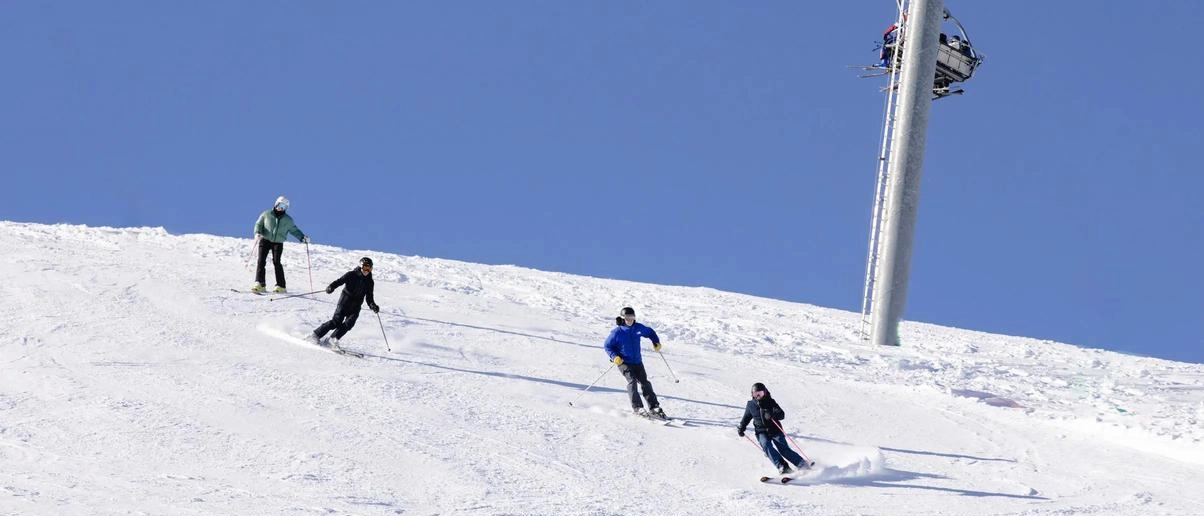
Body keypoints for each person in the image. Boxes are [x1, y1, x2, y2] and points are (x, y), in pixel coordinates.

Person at [604, 307, 667, 419]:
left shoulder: (638, 328)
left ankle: (654, 407)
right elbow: (608, 346)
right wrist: (615, 357)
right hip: (623, 362)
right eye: (627, 318)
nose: (630, 320)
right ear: (622, 319)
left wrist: (656, 342)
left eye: (632, 317)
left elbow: (650, 332)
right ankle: (638, 407)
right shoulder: (617, 332)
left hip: (637, 361)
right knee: (632, 382)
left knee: (645, 383)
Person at [737, 382, 808, 475]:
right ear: (752, 394)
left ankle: (801, 463)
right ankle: (782, 466)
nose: (758, 396)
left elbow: (781, 415)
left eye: (760, 393)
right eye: (755, 394)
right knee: (766, 446)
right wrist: (741, 427)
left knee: (783, 449)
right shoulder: (751, 405)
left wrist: (772, 415)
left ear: (765, 392)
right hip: (761, 432)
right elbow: (746, 417)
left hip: (775, 430)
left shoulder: (770, 401)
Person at [311, 257, 379, 349]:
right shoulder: (351, 274)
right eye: (365, 267)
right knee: (336, 322)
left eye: (369, 268)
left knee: (349, 324)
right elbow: (339, 282)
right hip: (345, 301)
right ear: (360, 266)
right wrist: (331, 287)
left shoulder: (370, 282)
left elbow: (369, 298)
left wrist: (373, 305)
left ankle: (332, 340)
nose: (367, 270)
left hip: (356, 305)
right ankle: (315, 335)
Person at [252, 196, 309, 293]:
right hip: (265, 239)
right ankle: (260, 283)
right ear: (276, 204)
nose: (281, 208)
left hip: (278, 243)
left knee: (277, 262)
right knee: (261, 261)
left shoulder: (288, 220)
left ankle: (281, 286)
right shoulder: (266, 214)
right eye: (280, 205)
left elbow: (294, 230)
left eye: (284, 207)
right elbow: (258, 224)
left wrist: (302, 237)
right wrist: (257, 232)